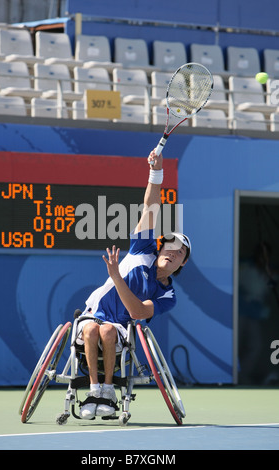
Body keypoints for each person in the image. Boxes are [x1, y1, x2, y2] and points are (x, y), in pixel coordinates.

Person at [75, 148, 191, 419]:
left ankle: (108, 391)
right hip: (94, 313)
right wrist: (156, 171)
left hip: (120, 327)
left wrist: (117, 278)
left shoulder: (168, 295)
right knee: (92, 329)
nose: (173, 252)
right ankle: (94, 391)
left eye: (180, 252)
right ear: (160, 248)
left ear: (182, 263)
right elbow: (151, 206)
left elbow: (138, 313)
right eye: (170, 246)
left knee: (107, 333)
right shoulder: (142, 248)